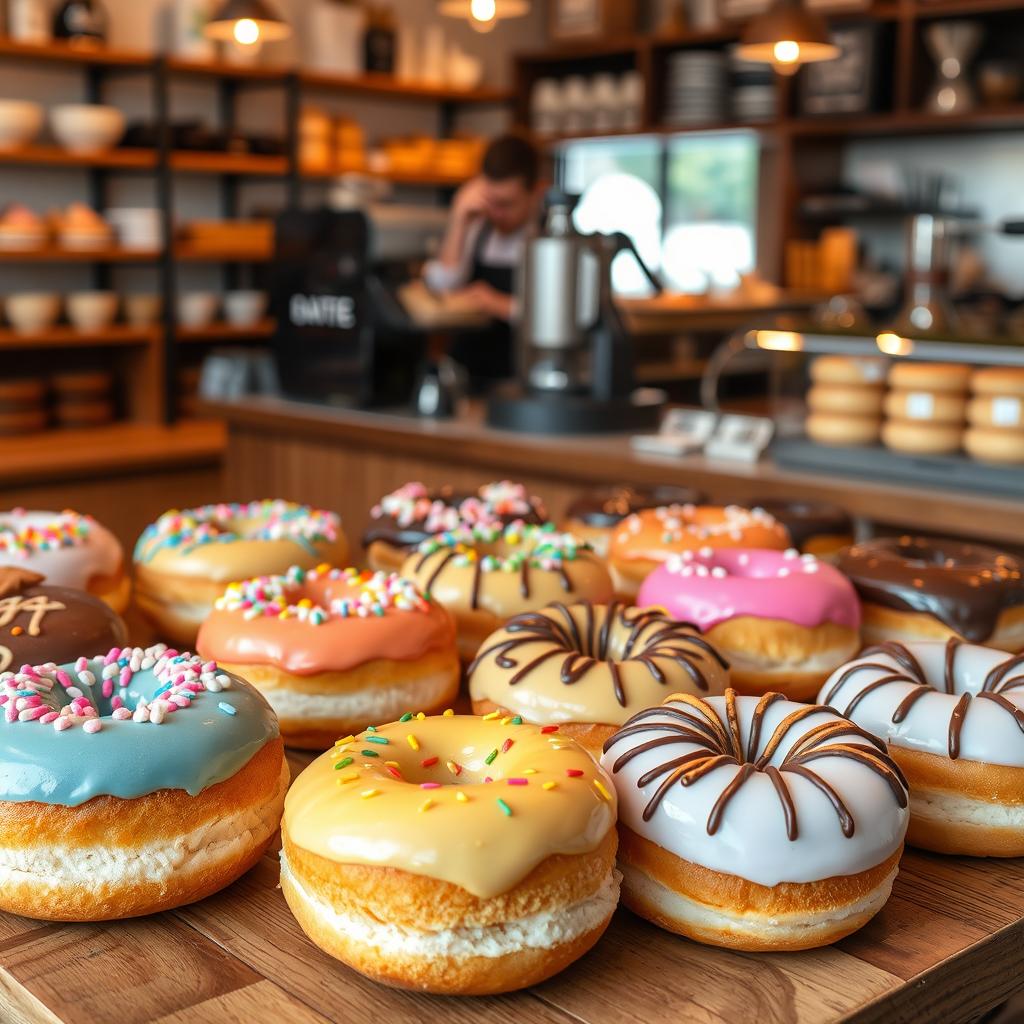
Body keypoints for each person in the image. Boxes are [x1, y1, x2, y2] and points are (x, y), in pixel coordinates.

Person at [422, 133, 544, 393]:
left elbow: (563, 316)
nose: (497, 213)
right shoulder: (478, 228)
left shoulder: (549, 240)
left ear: (535, 192)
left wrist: (500, 304)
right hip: (467, 376)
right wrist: (458, 219)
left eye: (507, 204)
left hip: (521, 381)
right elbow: (442, 283)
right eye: (492, 202)